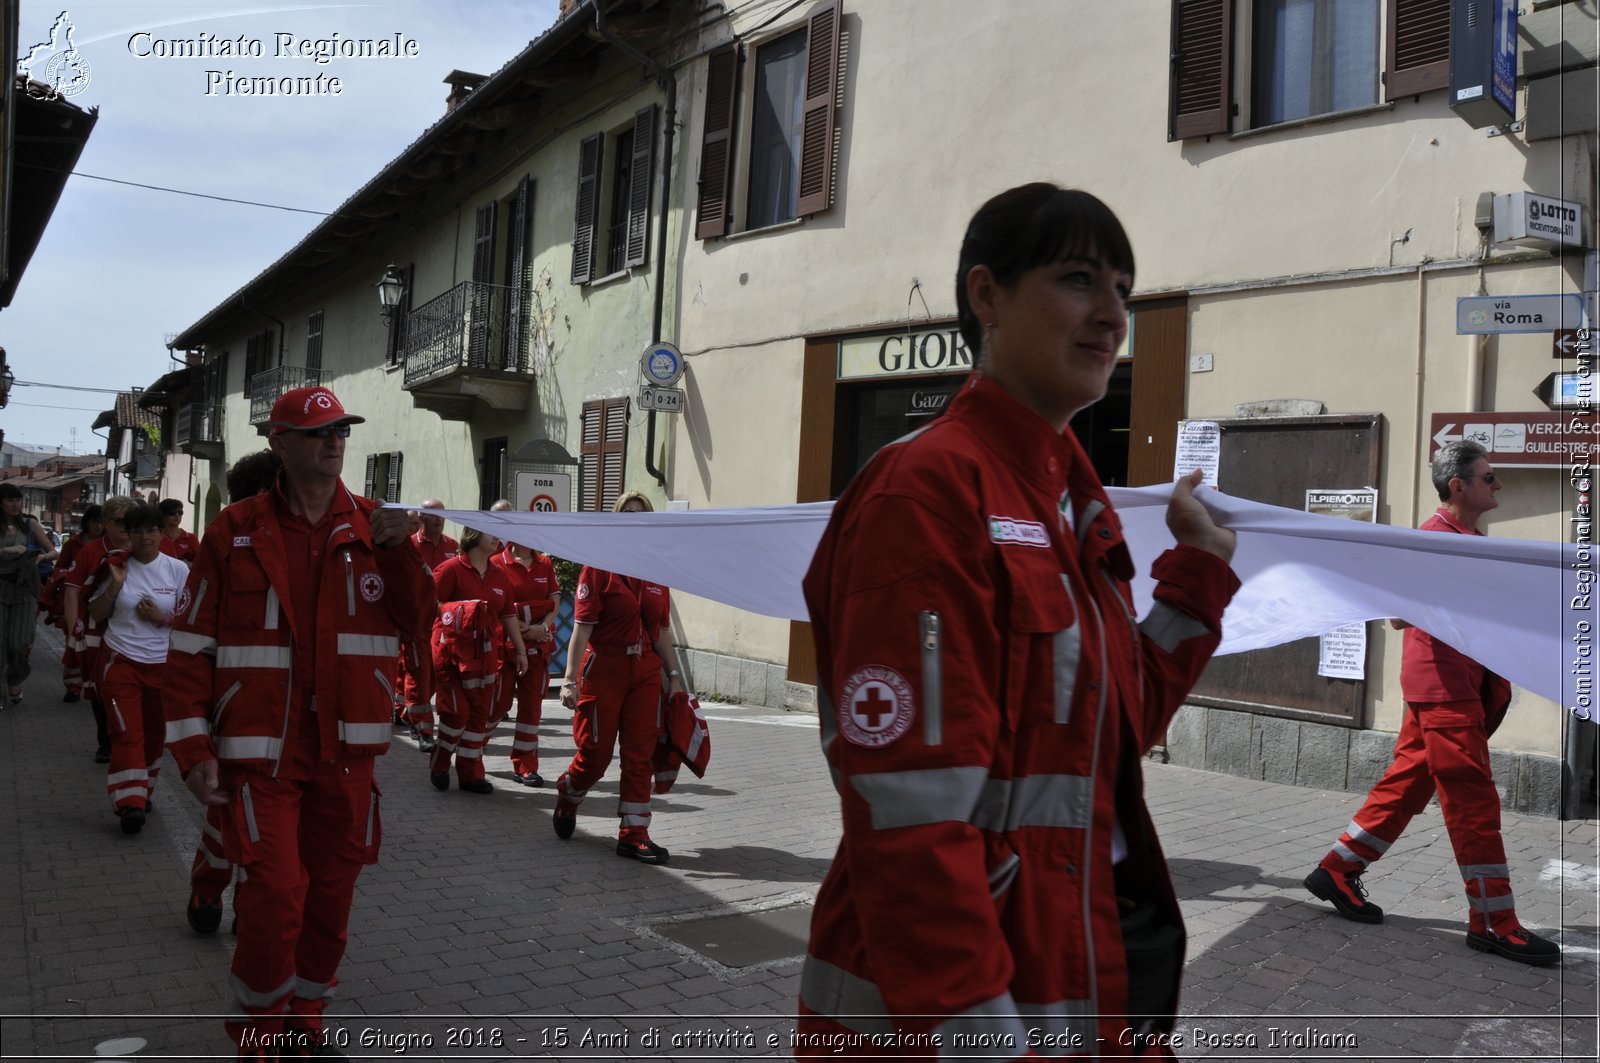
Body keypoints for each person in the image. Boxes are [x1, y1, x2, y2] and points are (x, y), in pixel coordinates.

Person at [796, 185, 1240, 1055]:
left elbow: (1114, 725)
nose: (1113, 313)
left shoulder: (1073, 501)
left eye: (1123, 287)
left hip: (1077, 969)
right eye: (1080, 278)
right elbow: (911, 816)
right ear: (986, 295)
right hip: (958, 1008)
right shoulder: (925, 490)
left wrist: (1197, 576)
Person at [163, 385, 434, 1056]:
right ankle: (257, 1031)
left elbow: (420, 622)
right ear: (279, 443)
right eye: (317, 433)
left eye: (341, 430)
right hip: (264, 756)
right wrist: (194, 750)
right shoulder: (236, 528)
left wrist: (404, 553)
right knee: (275, 896)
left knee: (331, 897)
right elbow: (190, 646)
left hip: (348, 755)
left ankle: (304, 1017)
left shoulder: (378, 526)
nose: (333, 441)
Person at [1304, 440, 1560, 966]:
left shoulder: (1466, 538)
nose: (1498, 485)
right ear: (1458, 486)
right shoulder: (1431, 540)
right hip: (1444, 688)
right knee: (1473, 802)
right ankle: (1494, 922)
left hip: (1450, 685)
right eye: (1489, 478)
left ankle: (1336, 870)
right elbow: (1397, 614)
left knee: (1405, 786)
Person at [554, 492, 690, 864]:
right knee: (595, 755)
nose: (633, 519)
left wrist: (673, 675)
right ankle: (569, 792)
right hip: (605, 668)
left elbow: (660, 629)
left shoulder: (656, 568)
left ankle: (633, 833)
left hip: (645, 670)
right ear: (615, 519)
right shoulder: (598, 566)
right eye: (627, 513)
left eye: (640, 514)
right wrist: (569, 680)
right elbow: (581, 630)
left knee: (639, 754)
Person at [187, 449, 285, 936]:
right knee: (225, 815)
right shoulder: (226, 539)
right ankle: (207, 887)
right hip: (240, 714)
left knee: (268, 833)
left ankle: (250, 903)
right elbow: (192, 644)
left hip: (293, 722)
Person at [87, 503, 188, 834]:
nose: (145, 537)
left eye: (151, 530)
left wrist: (162, 619)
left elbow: (191, 620)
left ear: (161, 533)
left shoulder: (177, 571)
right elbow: (97, 614)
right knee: (127, 732)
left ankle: (142, 790)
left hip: (163, 667)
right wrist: (115, 585)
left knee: (155, 735)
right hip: (121, 662)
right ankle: (130, 804)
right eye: (138, 531)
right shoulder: (115, 566)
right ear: (128, 535)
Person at [428, 525, 526, 793]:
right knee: (456, 711)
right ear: (473, 536)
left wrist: (519, 650)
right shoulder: (449, 569)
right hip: (450, 653)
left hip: (484, 656)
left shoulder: (499, 575)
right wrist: (462, 611)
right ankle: (441, 760)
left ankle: (471, 774)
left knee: (479, 715)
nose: (497, 538)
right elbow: (430, 604)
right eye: (491, 532)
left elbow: (507, 615)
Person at [488, 499, 561, 787]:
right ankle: (473, 746)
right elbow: (499, 606)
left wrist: (541, 627)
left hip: (538, 646)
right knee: (499, 702)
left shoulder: (546, 563)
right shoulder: (497, 563)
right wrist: (524, 631)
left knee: (532, 709)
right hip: (506, 646)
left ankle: (526, 765)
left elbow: (555, 602)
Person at [61, 495, 135, 760]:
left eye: (130, 521)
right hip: (96, 629)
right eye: (118, 521)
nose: (125, 527)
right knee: (99, 686)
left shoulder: (145, 549)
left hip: (133, 629)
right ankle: (106, 741)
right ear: (105, 523)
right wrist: (73, 630)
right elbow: (72, 591)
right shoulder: (90, 552)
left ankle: (127, 740)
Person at [402, 499, 458, 752]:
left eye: (442, 515)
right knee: (418, 674)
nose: (439, 519)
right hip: (417, 622)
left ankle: (409, 713)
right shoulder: (409, 545)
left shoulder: (453, 546)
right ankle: (424, 729)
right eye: (433, 515)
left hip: (444, 625)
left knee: (436, 674)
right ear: (422, 518)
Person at [0, 482, 58, 704]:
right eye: (10, 500)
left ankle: (14, 680)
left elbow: (53, 552)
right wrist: (6, 550)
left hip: (24, 588)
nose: (15, 505)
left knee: (19, 642)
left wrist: (42, 557)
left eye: (18, 500)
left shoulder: (30, 524)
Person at [41, 503, 102, 702]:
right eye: (95, 521)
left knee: (96, 647)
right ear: (87, 522)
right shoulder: (73, 544)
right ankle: (73, 685)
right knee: (73, 642)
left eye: (102, 522)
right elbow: (59, 569)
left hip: (98, 603)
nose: (98, 526)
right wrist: (71, 576)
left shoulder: (108, 545)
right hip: (74, 600)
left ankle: (94, 684)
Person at [157, 498, 201, 565]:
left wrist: (184, 564)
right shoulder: (156, 537)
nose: (177, 516)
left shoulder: (191, 538)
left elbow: (200, 564)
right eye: (172, 513)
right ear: (162, 515)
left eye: (180, 513)